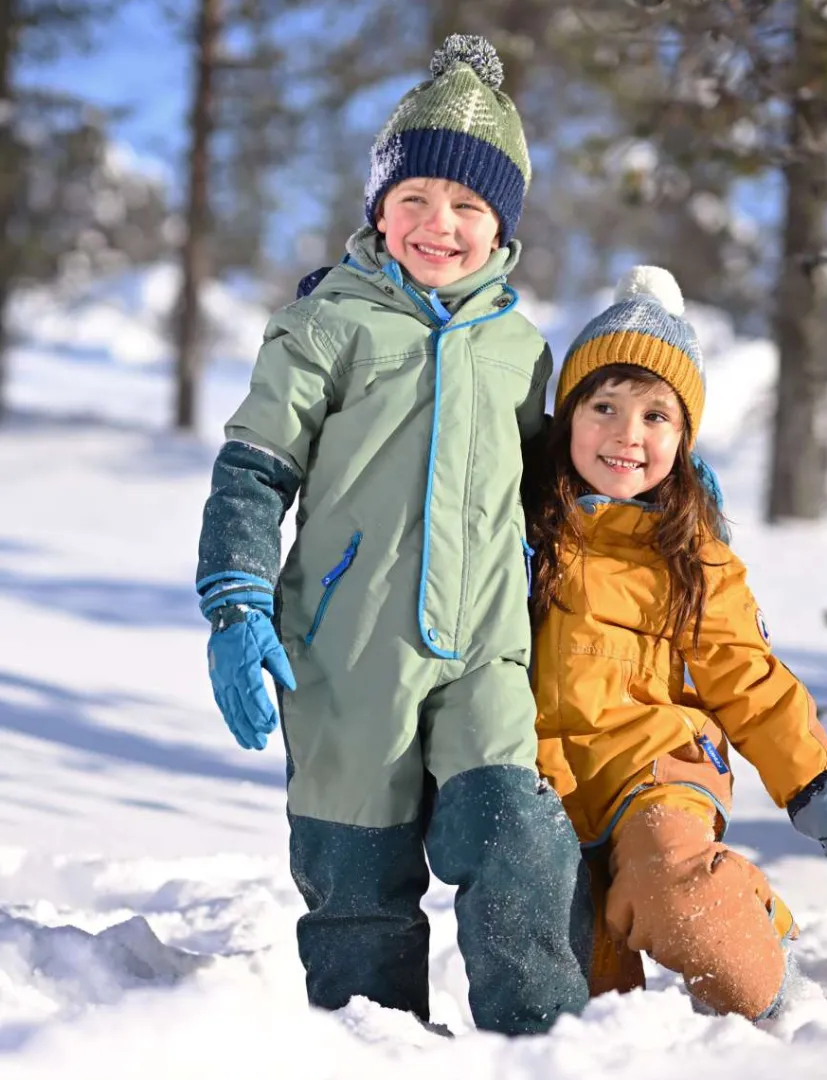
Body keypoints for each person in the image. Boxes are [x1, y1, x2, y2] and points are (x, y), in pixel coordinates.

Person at [195, 35, 590, 1036]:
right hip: (346, 647)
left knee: (516, 835)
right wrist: (237, 604)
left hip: (487, 645)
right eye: (413, 198)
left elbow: (549, 484)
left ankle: (541, 1039)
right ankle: (373, 1047)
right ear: (379, 206)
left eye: (467, 207)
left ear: (502, 224)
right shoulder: (329, 323)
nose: (437, 225)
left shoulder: (520, 345)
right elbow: (254, 466)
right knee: (356, 876)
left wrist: (652, 486)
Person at [524, 266, 827, 1022]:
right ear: (568, 415)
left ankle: (757, 919)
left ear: (684, 434)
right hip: (547, 787)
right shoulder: (528, 528)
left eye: (655, 416)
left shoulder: (691, 553)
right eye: (603, 406)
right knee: (582, 1014)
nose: (626, 436)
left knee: (691, 915)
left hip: (656, 773)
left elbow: (750, 680)